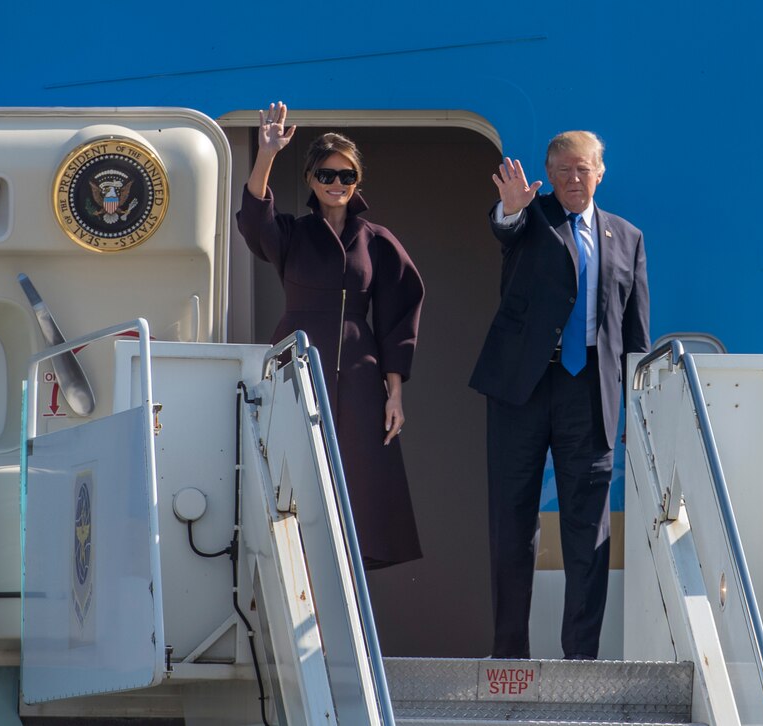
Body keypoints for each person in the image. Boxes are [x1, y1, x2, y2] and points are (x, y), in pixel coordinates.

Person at [470, 131, 649, 659]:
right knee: (512, 522)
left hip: (589, 391)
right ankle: (509, 654)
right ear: (549, 176)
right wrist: (509, 210)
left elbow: (635, 335)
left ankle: (581, 659)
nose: (573, 180)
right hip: (521, 390)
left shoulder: (628, 237)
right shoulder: (530, 217)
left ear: (600, 173)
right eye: (563, 171)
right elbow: (505, 230)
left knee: (587, 531)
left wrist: (635, 407)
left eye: (583, 169)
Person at [237, 102, 424, 569]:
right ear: (311, 180)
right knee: (294, 474)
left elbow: (400, 313)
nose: (337, 184)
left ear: (358, 182)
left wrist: (394, 394)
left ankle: (351, 601)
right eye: (327, 174)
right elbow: (254, 219)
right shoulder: (293, 234)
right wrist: (267, 153)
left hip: (362, 374)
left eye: (347, 176)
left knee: (359, 485)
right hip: (297, 366)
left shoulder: (376, 240)